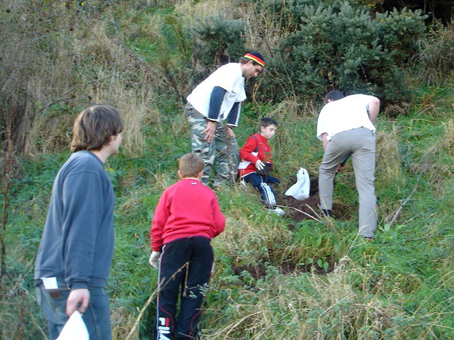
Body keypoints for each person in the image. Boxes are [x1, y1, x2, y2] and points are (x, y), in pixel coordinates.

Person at [34, 105, 123, 340]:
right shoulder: (86, 168)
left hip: (65, 281)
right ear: (109, 135)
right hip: (72, 283)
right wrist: (79, 282)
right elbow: (80, 228)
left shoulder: (81, 166)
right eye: (120, 131)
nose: (121, 137)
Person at [149, 153, 226, 340]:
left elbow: (159, 222)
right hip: (202, 245)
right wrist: (205, 234)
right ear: (201, 173)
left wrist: (156, 248)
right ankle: (186, 334)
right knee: (195, 290)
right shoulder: (209, 193)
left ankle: (164, 334)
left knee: (167, 289)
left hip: (174, 244)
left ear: (179, 173)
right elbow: (219, 224)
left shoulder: (171, 191)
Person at [185, 52, 265, 187]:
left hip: (213, 117)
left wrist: (229, 126)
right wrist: (212, 122)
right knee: (205, 152)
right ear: (249, 63)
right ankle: (198, 190)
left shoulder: (240, 78)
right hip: (199, 111)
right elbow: (217, 93)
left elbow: (237, 102)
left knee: (230, 148)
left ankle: (221, 188)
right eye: (256, 70)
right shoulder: (231, 70)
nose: (255, 75)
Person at [316, 90, 380, 240]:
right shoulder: (356, 99)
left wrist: (335, 162)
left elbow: (326, 142)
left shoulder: (327, 108)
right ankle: (367, 234)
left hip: (339, 138)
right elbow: (375, 102)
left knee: (326, 171)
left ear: (329, 100)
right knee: (366, 186)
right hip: (365, 136)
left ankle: (326, 214)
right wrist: (369, 123)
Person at [238, 117, 284, 215]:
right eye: (271, 130)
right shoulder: (254, 139)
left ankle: (278, 199)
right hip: (248, 171)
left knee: (276, 182)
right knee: (264, 185)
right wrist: (255, 160)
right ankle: (271, 207)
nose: (273, 133)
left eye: (274, 130)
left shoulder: (266, 144)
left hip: (259, 172)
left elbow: (266, 158)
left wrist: (269, 166)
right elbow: (243, 152)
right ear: (262, 128)